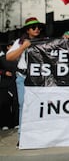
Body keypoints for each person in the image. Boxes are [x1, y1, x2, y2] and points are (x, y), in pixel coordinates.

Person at [6, 17, 44, 146]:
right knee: (24, 105)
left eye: (39, 27)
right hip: (23, 78)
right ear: (28, 30)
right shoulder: (20, 42)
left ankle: (39, 135)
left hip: (39, 78)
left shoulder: (43, 41)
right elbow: (9, 57)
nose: (37, 29)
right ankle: (22, 137)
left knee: (40, 106)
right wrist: (23, 47)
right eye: (34, 27)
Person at [0, 40, 19, 130]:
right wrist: (4, 72)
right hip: (5, 83)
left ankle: (16, 122)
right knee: (5, 103)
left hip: (16, 82)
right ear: (8, 47)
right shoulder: (2, 58)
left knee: (16, 103)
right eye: (12, 45)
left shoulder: (19, 57)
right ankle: (5, 123)